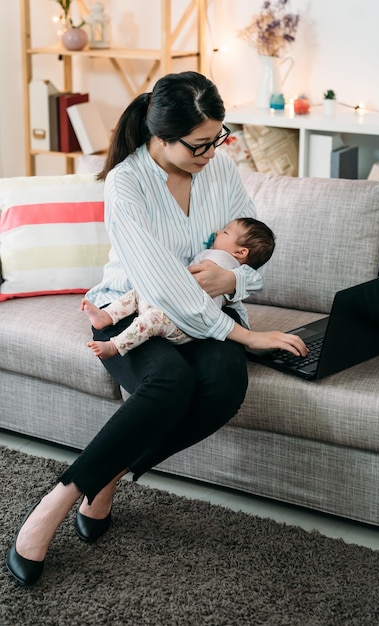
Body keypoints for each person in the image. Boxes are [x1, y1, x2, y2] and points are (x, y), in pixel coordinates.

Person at [6, 71, 307, 587]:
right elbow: (165, 288)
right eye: (198, 144)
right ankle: (54, 504)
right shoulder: (127, 183)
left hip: (211, 309)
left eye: (218, 139)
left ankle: (105, 480)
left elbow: (256, 255)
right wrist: (244, 334)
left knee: (224, 384)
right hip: (135, 307)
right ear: (161, 136)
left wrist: (232, 278)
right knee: (170, 383)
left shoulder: (222, 169)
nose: (210, 152)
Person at [82, 216, 276, 359]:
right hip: (171, 306)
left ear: (240, 252)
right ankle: (106, 316)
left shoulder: (222, 262)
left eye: (225, 232)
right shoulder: (218, 257)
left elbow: (194, 287)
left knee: (151, 320)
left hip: (183, 326)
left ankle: (116, 346)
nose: (218, 232)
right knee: (141, 289)